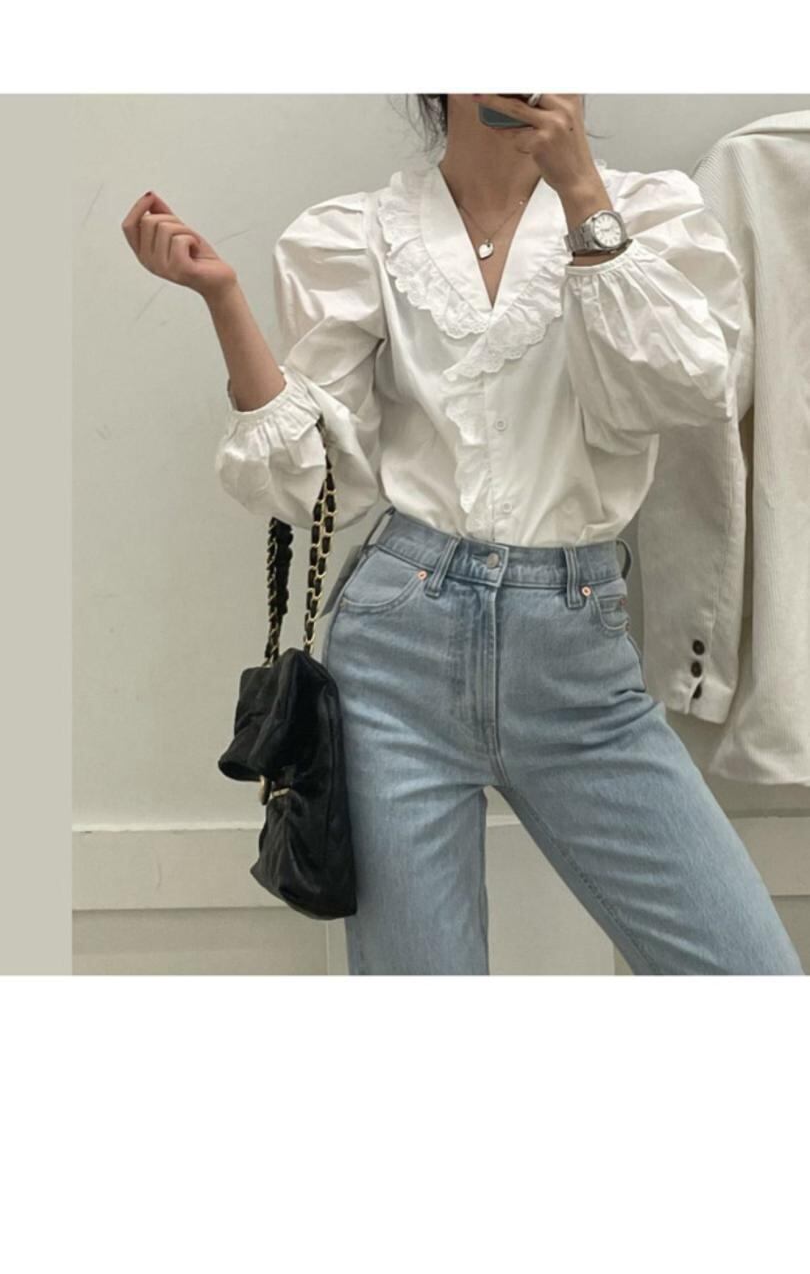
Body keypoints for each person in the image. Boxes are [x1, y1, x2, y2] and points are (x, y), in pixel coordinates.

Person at [121, 98, 803, 976]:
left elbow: (687, 388)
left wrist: (581, 190)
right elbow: (316, 484)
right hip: (398, 652)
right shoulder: (363, 235)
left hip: (578, 662)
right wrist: (223, 301)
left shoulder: (649, 213)